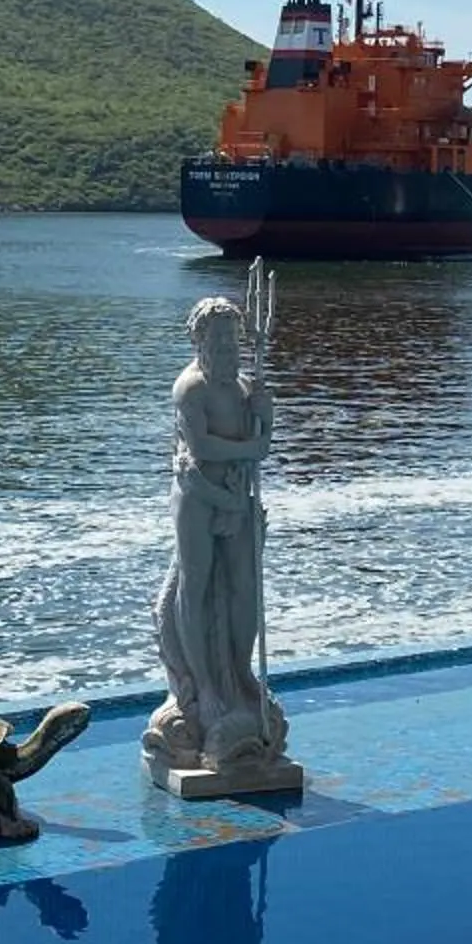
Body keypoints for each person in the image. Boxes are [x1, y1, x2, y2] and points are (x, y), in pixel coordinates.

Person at [144, 295, 291, 783]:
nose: (229, 348)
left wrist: (265, 415)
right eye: (219, 340)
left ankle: (240, 671)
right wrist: (254, 444)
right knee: (197, 585)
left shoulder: (245, 386)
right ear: (200, 342)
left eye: (234, 339)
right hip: (198, 496)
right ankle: (203, 687)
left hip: (238, 494)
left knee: (244, 585)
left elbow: (261, 443)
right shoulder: (190, 390)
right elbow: (203, 446)